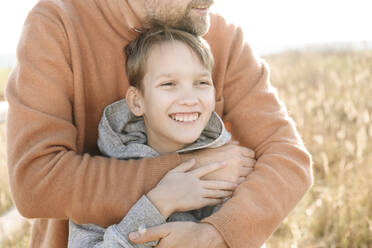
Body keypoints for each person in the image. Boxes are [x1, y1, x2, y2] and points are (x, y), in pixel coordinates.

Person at [5, 0, 313, 247]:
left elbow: (288, 159)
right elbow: (36, 181)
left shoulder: (224, 38)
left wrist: (215, 235)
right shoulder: (57, 23)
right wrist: (191, 171)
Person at [68, 25, 246, 247]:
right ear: (136, 101)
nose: (190, 99)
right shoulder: (100, 183)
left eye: (201, 82)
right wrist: (160, 204)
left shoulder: (226, 170)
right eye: (169, 84)